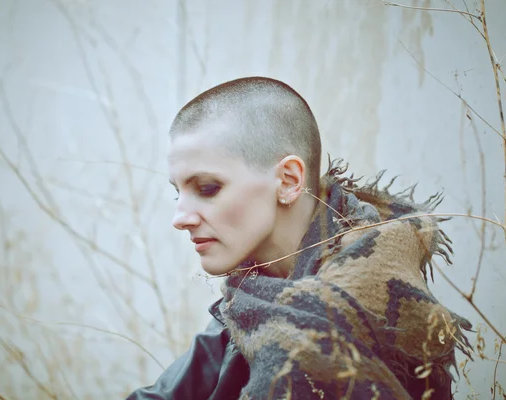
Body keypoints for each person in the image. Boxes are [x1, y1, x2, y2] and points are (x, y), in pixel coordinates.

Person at [125, 77, 471, 400]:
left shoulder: (345, 311)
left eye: (207, 188)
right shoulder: (255, 295)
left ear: (289, 181)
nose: (180, 218)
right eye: (178, 193)